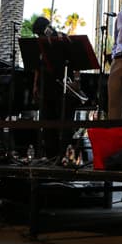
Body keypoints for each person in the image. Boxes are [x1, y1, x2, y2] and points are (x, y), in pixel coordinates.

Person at [31, 17, 81, 160]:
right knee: (47, 123)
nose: (39, 37)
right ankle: (50, 155)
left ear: (47, 29)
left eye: (40, 34)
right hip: (46, 87)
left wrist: (77, 81)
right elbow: (37, 66)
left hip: (64, 86)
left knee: (65, 123)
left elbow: (76, 62)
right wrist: (35, 85)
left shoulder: (63, 39)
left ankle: (62, 155)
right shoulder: (40, 44)